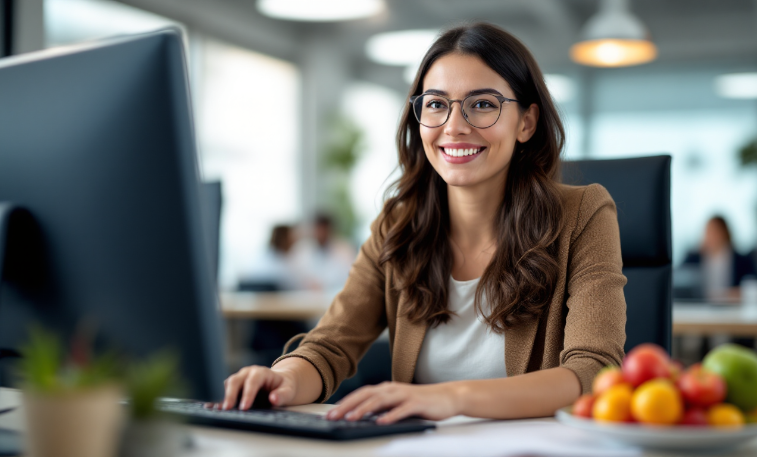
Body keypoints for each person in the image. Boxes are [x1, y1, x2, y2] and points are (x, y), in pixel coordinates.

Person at [213, 23, 626, 424]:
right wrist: (283, 379)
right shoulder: (398, 225)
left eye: (482, 104)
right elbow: (331, 344)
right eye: (436, 104)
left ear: (526, 123)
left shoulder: (582, 214)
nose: (454, 126)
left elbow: (594, 373)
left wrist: (452, 397)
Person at [682, 216, 757, 301]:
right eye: (709, 231)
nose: (712, 236)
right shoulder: (693, 258)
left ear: (725, 233)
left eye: (716, 231)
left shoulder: (742, 260)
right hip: (699, 308)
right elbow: (680, 280)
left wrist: (740, 291)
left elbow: (755, 282)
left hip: (731, 308)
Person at [290, 213, 357, 291]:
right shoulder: (301, 250)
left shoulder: (344, 249)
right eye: (318, 229)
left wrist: (324, 285)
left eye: (324, 229)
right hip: (305, 298)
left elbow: (349, 275)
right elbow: (294, 276)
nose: (321, 233)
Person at [238, 224, 300, 291]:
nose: (295, 241)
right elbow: (295, 286)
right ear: (286, 238)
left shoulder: (260, 257)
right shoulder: (283, 264)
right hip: (273, 298)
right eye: (292, 237)